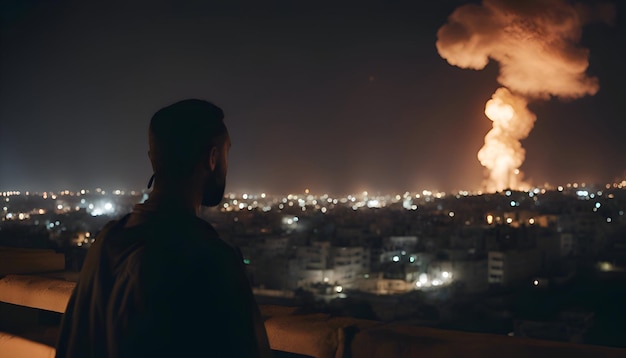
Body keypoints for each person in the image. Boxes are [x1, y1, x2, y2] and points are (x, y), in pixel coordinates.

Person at [55, 99, 272, 358]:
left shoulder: (106, 243)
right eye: (226, 153)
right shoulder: (210, 259)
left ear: (153, 160)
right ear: (212, 158)